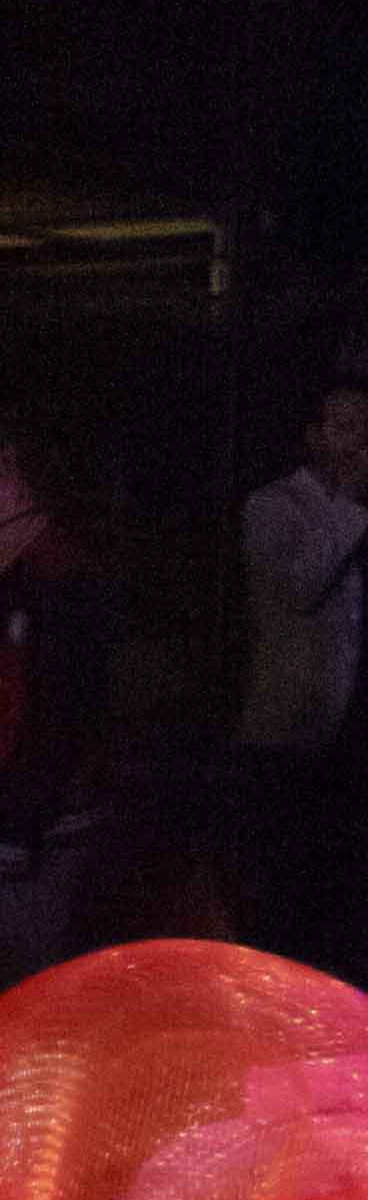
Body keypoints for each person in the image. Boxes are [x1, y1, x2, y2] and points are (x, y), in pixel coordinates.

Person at [236, 369, 368, 987]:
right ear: (313, 435)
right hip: (303, 743)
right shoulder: (274, 506)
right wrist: (350, 503)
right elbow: (298, 585)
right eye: (345, 427)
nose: (360, 444)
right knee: (299, 913)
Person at [0, 414, 122, 990]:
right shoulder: (22, 574)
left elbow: (60, 714)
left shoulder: (59, 579)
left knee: (30, 988)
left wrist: (20, 829)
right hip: (26, 820)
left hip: (38, 828)